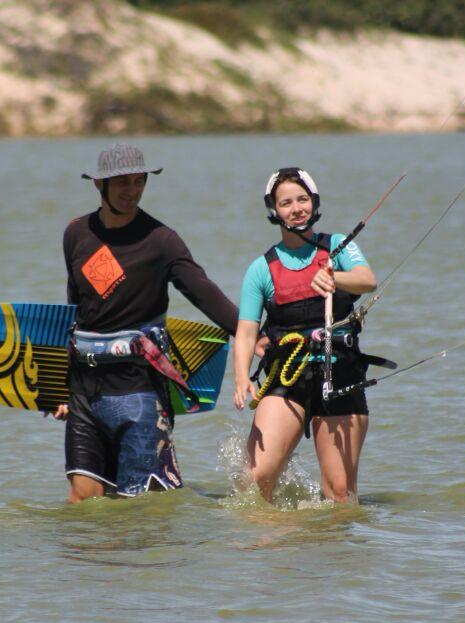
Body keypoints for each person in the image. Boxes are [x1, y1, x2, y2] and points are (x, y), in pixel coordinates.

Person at [53, 143, 239, 503]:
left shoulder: (161, 240)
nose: (131, 191)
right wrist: (60, 388)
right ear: (99, 185)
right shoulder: (76, 234)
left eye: (139, 181)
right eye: (122, 182)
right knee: (82, 499)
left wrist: (252, 334)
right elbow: (74, 312)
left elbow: (203, 292)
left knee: (142, 507)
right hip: (85, 393)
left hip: (139, 390)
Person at [233, 167, 378, 504]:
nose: (296, 208)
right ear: (274, 210)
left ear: (314, 203)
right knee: (256, 480)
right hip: (288, 376)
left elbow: (367, 279)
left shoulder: (338, 246)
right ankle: (271, 548)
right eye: (286, 203)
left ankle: (334, 552)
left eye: (303, 199)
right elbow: (246, 330)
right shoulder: (261, 269)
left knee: (340, 492)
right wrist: (241, 377)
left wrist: (335, 279)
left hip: (339, 373)